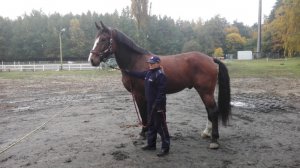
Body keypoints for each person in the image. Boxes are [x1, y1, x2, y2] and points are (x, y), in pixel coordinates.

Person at [124, 56, 170, 157]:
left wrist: (157, 104)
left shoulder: (160, 75)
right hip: (150, 103)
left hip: (158, 105)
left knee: (160, 126)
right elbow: (138, 74)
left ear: (158, 63)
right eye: (149, 63)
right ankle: (151, 144)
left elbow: (161, 92)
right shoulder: (148, 72)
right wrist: (127, 71)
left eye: (152, 63)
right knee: (151, 125)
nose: (150, 64)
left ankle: (165, 147)